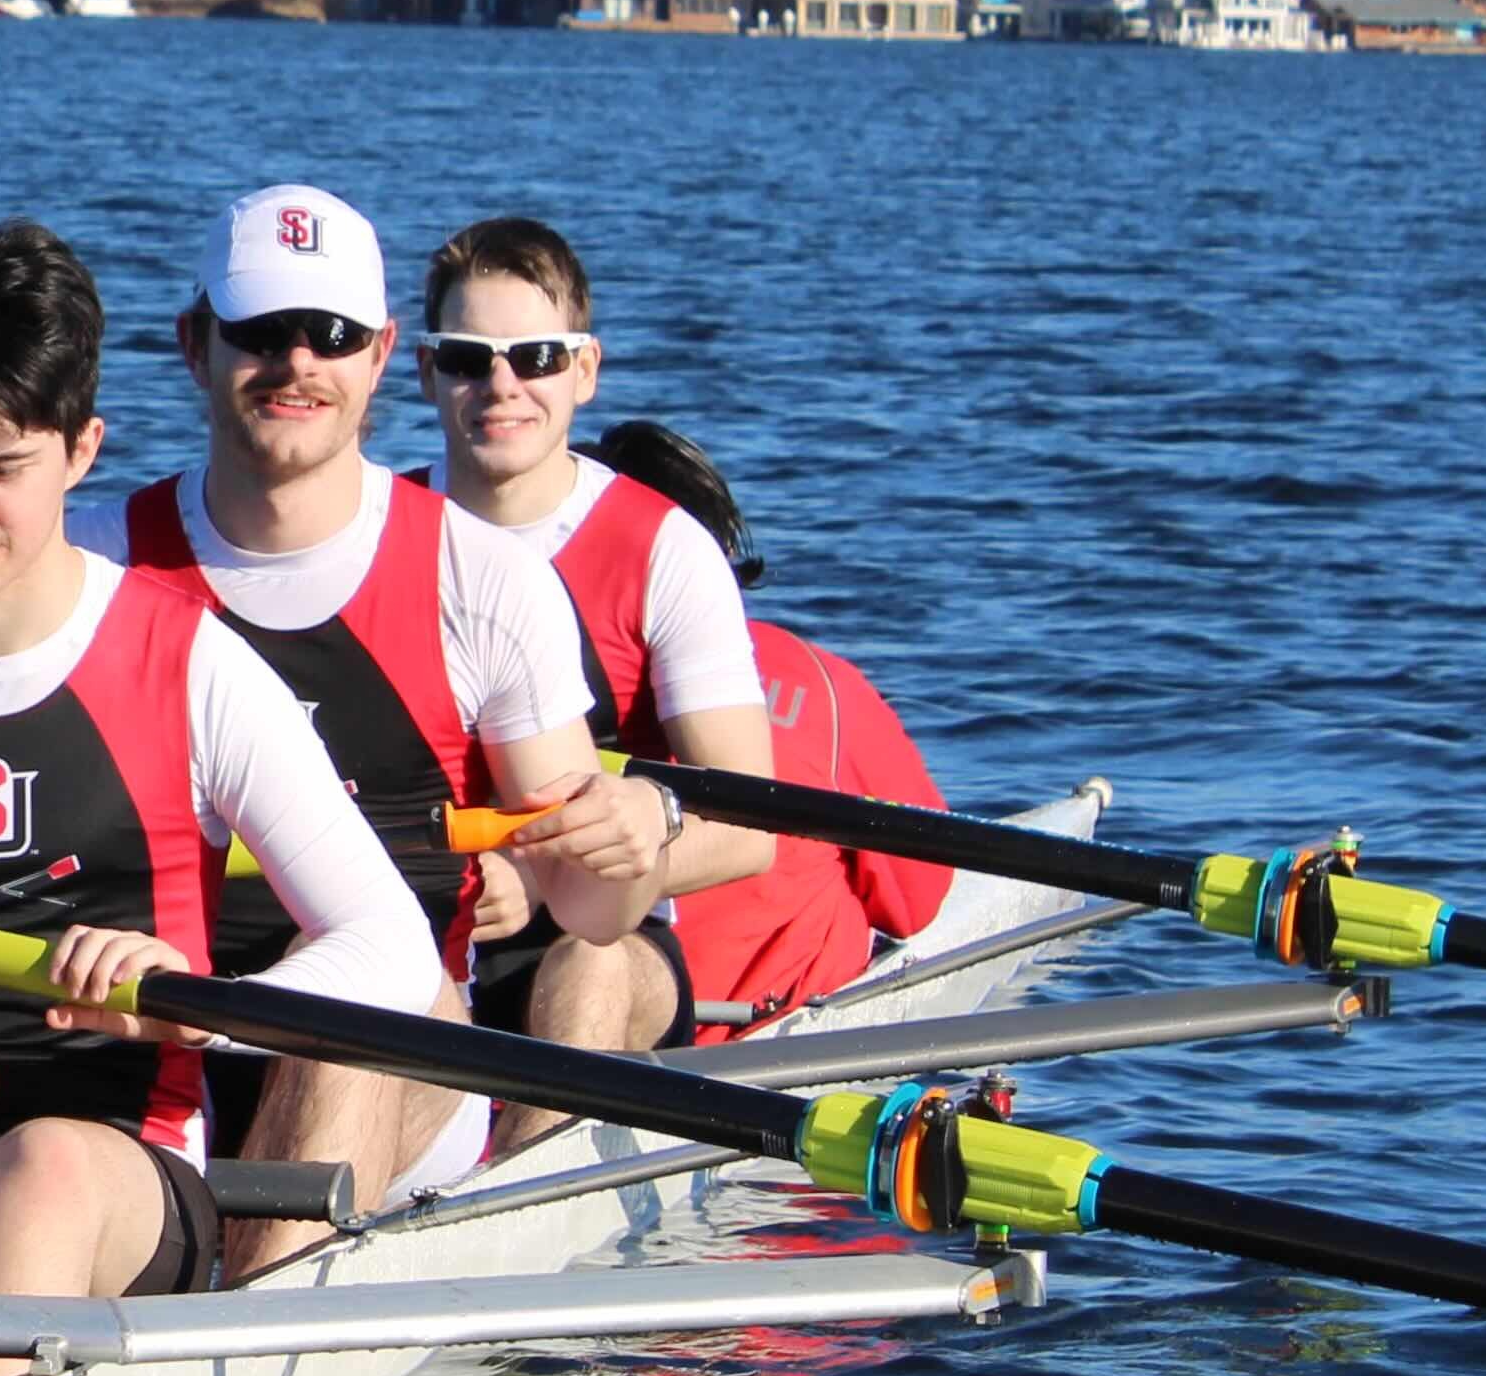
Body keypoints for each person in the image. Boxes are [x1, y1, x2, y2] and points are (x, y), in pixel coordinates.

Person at [0, 221, 439, 1376]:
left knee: (38, 1173)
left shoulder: (190, 665)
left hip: (120, 1174)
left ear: (81, 449)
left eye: (1, 469)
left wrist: (202, 1008)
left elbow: (393, 949)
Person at [119, 180, 657, 1202]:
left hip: (404, 1062)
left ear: (379, 355)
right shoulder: (97, 564)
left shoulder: (484, 583)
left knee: (350, 998)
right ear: (195, 345)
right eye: (261, 331)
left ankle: (265, 1283)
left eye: (331, 335)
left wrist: (631, 841)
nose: (297, 364)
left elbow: (591, 908)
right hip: (144, 1048)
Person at [415, 216, 787, 1100]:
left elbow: (753, 826)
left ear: (584, 371)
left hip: (605, 934)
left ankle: (535, 1169)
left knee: (591, 963)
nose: (501, 387)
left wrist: (547, 877)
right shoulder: (378, 533)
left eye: (537, 358)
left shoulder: (663, 549)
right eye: (468, 359)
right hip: (423, 916)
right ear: (426, 372)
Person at [585, 418, 960, 1018]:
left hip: (570, 1019)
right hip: (756, 1028)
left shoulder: (508, 684)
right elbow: (920, 898)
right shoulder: (821, 684)